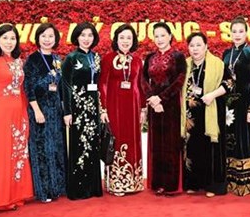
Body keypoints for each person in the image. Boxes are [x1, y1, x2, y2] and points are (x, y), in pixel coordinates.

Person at [0, 24, 33, 211]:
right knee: (2, 154)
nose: (9, 42)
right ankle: (1, 198)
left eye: (12, 38)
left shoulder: (18, 61)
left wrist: (25, 113)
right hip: (0, 113)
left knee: (18, 152)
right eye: (5, 38)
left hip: (18, 112)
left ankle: (17, 194)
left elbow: (21, 90)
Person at [181, 32, 231, 197]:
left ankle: (213, 186)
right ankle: (194, 184)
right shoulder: (185, 65)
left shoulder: (217, 64)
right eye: (192, 45)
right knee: (192, 149)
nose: (195, 49)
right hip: (190, 116)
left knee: (210, 149)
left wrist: (213, 95)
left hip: (211, 111)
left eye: (198, 45)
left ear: (206, 46)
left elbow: (229, 83)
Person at [99, 24, 146, 196]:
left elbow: (140, 86)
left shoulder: (137, 61)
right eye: (122, 38)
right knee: (116, 141)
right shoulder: (107, 59)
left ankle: (134, 182)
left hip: (132, 107)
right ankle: (116, 183)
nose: (125, 41)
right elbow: (102, 84)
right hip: (114, 106)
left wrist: (143, 109)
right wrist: (103, 109)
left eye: (129, 38)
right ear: (116, 40)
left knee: (133, 140)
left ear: (133, 41)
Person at [23, 23, 66, 203]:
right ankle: (44, 191)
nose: (47, 39)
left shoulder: (57, 59)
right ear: (38, 38)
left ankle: (58, 187)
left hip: (55, 109)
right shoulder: (32, 60)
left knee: (56, 147)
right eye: (44, 36)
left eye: (51, 36)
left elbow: (62, 86)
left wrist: (64, 109)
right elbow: (29, 87)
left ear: (55, 39)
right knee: (42, 149)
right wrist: (37, 110)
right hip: (40, 109)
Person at [61, 22, 104, 200]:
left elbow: (100, 84)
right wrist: (67, 111)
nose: (87, 39)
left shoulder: (96, 57)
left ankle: (93, 187)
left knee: (93, 145)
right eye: (83, 35)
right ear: (77, 37)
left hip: (93, 107)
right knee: (79, 146)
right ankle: (79, 189)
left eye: (90, 35)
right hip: (78, 108)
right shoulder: (71, 58)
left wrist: (101, 109)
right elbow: (66, 85)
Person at [143, 22, 186, 196]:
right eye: (156, 36)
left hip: (171, 104)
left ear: (170, 36)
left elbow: (180, 80)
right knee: (157, 144)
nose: (159, 39)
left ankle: (171, 185)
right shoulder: (150, 57)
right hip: (154, 105)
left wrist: (161, 98)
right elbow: (144, 80)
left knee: (170, 144)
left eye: (163, 35)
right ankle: (157, 183)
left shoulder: (178, 56)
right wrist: (153, 99)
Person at [223, 16, 250, 196]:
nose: (237, 35)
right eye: (234, 31)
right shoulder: (226, 54)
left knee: (243, 139)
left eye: (241, 31)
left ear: (247, 33)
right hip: (229, 104)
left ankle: (244, 184)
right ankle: (230, 181)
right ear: (229, 33)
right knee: (230, 140)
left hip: (245, 103)